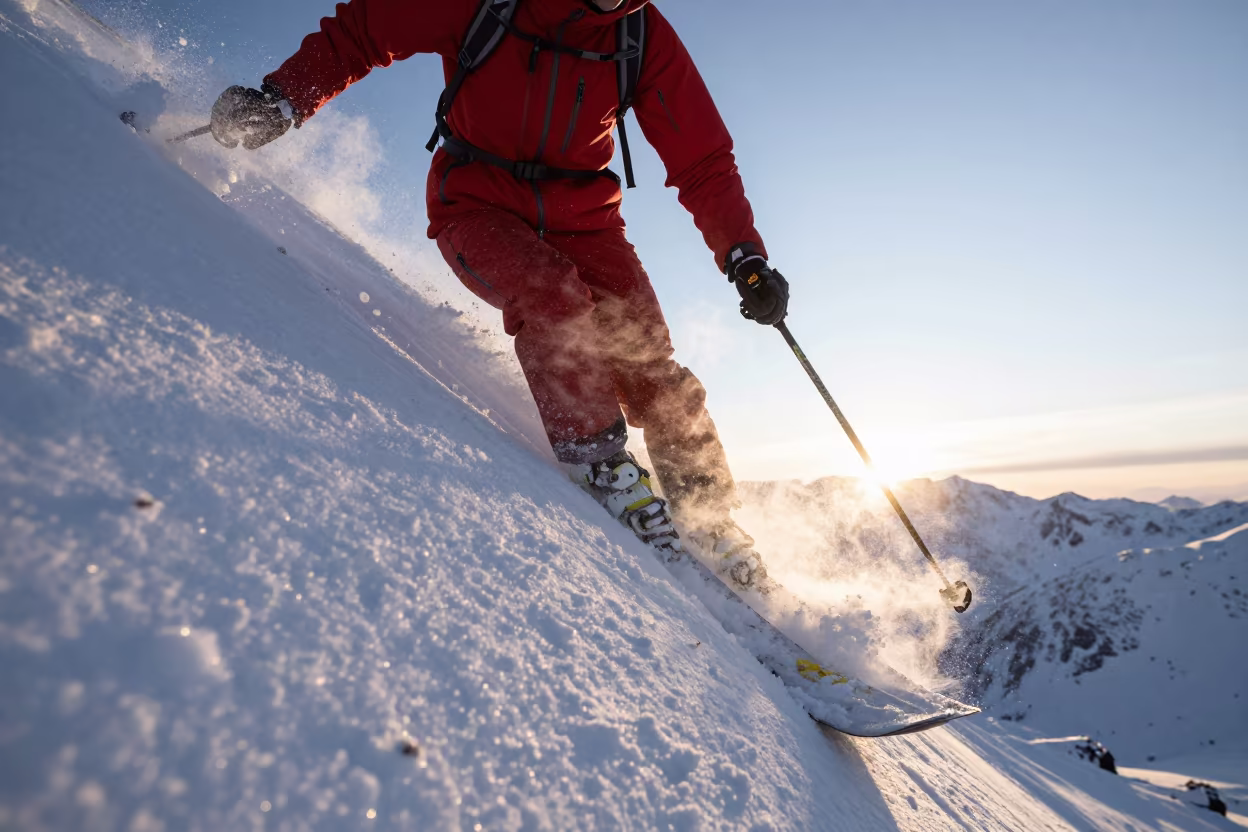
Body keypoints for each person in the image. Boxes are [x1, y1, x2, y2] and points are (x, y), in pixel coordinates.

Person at [209, 0, 789, 589]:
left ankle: (709, 517)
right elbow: (365, 30)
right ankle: (602, 466)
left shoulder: (638, 33)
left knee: (648, 358)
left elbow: (702, 157)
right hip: (478, 206)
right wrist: (283, 98)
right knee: (552, 298)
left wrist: (745, 255)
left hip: (586, 219)